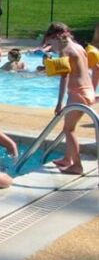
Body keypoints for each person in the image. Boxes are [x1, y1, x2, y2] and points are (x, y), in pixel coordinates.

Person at [44, 22, 95, 174]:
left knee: (69, 129)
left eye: (50, 42)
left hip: (77, 94)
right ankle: (68, 159)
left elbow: (64, 78)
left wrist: (59, 103)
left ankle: (77, 165)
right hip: (87, 90)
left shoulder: (65, 50)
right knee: (68, 127)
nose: (51, 47)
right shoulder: (79, 47)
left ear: (57, 37)